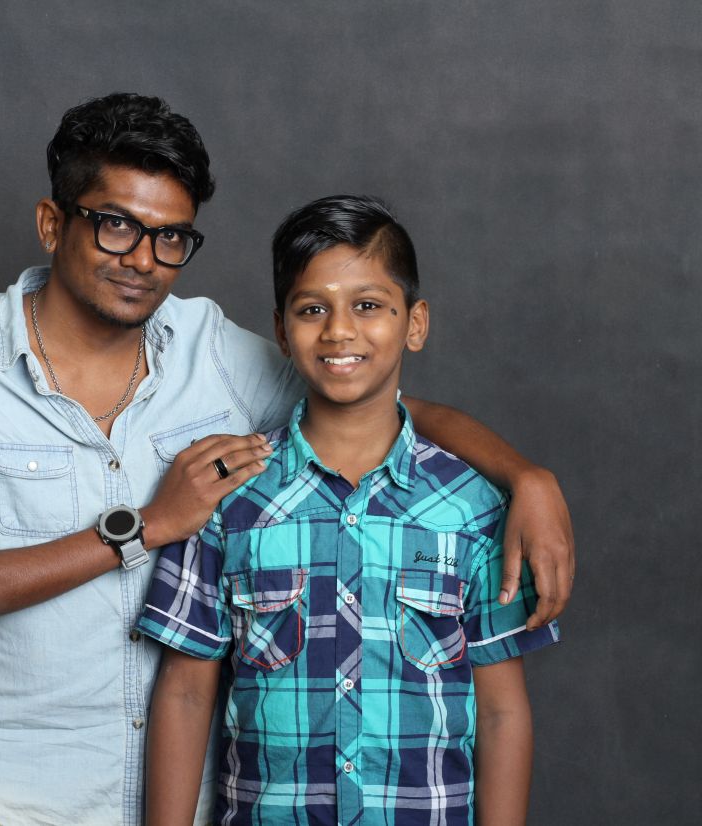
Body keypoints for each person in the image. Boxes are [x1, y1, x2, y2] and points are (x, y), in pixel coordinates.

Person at [0, 94, 574, 825]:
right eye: (117, 225)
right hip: (3, 799)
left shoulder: (210, 347)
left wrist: (523, 476)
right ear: (53, 223)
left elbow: (356, 395)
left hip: (187, 799)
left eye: (171, 236)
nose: (143, 260)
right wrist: (146, 525)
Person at [139, 195, 560, 825]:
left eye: (368, 305)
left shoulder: (474, 509)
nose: (339, 331)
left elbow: (501, 711)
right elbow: (183, 691)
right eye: (313, 309)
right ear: (282, 331)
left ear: (414, 323)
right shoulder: (224, 498)